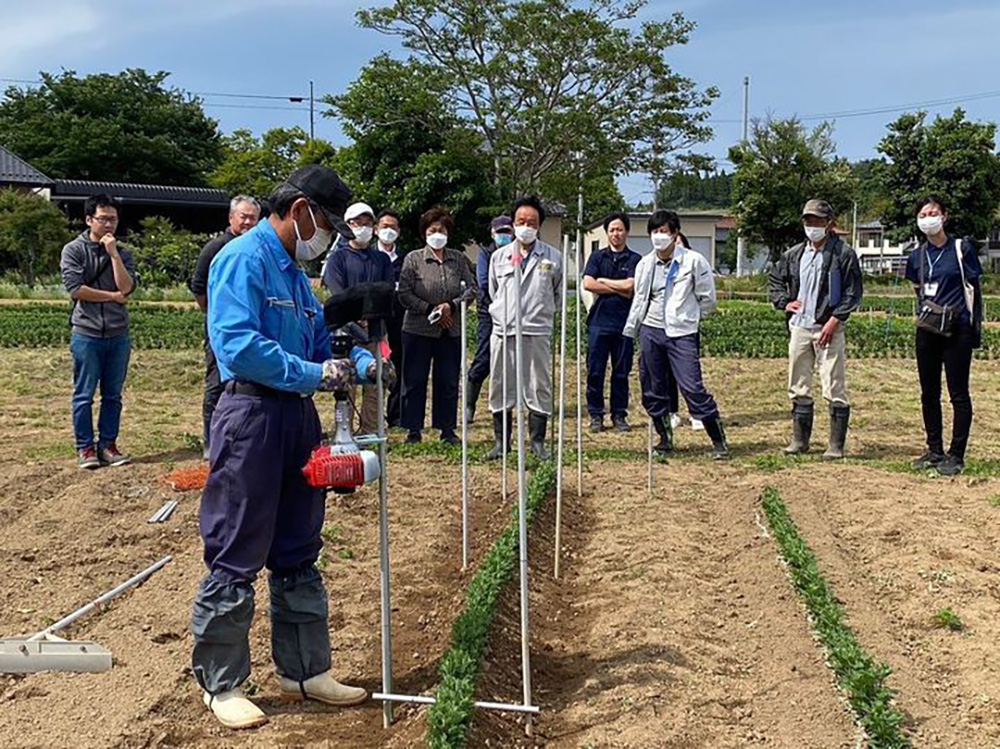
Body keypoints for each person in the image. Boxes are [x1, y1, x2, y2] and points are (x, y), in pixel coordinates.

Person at [191, 165, 386, 731]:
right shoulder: (241, 260)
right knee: (237, 542)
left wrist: (361, 365)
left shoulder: (299, 278)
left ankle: (304, 671)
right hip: (251, 414)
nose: (325, 236)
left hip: (297, 416)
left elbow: (322, 342)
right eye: (325, 223)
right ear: (301, 210)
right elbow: (238, 345)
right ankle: (221, 682)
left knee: (299, 542)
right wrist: (313, 371)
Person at [622, 210, 729, 459]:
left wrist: (689, 317)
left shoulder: (693, 261)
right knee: (652, 387)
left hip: (681, 332)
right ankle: (664, 439)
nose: (659, 237)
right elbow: (640, 299)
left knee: (692, 386)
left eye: (664, 232)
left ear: (675, 234)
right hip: (651, 329)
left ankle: (719, 441)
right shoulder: (645, 264)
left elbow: (707, 299)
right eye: (655, 232)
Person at [768, 199, 863, 460]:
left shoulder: (843, 254)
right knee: (798, 384)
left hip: (829, 327)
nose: (812, 225)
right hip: (800, 326)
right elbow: (775, 279)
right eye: (808, 221)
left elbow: (853, 292)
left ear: (829, 224)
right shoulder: (794, 254)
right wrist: (785, 302)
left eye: (818, 221)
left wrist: (835, 319)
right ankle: (800, 441)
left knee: (833, 384)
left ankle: (835, 445)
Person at [906, 196, 983, 477]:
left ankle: (956, 454)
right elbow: (917, 288)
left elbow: (974, 289)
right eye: (923, 214)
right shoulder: (915, 256)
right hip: (927, 330)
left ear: (945, 216)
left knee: (958, 393)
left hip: (958, 329)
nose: (928, 218)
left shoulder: (962, 250)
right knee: (929, 393)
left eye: (933, 213)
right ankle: (934, 449)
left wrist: (975, 329)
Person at [60, 194, 137, 469]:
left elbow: (127, 288)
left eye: (112, 219)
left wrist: (114, 253)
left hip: (118, 332)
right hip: (87, 332)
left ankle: (108, 444)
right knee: (84, 394)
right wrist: (111, 297)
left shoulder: (123, 252)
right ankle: (85, 448)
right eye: (102, 219)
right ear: (89, 219)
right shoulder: (73, 250)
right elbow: (75, 289)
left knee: (113, 394)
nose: (108, 224)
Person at [487, 195, 562, 461]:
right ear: (513, 223)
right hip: (504, 331)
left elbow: (557, 294)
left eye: (532, 222)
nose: (526, 226)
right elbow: (493, 291)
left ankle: (538, 442)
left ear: (539, 225)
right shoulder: (500, 257)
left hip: (537, 330)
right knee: (500, 385)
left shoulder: (553, 257)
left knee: (538, 385)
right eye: (521, 221)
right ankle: (501, 442)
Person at [189, 195, 261, 459]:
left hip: (251, 327)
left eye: (253, 217)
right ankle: (210, 441)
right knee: (216, 383)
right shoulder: (216, 247)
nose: (247, 222)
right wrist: (215, 314)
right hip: (220, 328)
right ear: (231, 218)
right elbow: (197, 285)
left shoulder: (258, 248)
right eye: (243, 216)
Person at [397, 207, 476, 445]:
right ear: (425, 233)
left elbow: (471, 289)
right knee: (414, 379)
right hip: (417, 329)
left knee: (448, 380)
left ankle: (447, 428)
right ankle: (413, 429)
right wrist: (430, 310)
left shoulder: (459, 259)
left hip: (450, 329)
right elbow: (404, 292)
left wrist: (450, 306)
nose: (437, 234)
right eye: (432, 230)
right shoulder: (413, 259)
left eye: (441, 230)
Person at [322, 202, 394, 434]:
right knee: (346, 384)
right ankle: (344, 432)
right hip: (346, 333)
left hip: (375, 330)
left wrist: (369, 314)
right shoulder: (338, 259)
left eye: (367, 223)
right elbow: (338, 293)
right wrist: (355, 315)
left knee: (375, 384)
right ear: (348, 225)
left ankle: (371, 431)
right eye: (357, 223)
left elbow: (386, 290)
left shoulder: (381, 260)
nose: (362, 227)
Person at [582, 211, 641, 433]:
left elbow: (631, 287)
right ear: (607, 232)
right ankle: (596, 414)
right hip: (599, 322)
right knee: (595, 370)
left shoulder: (635, 259)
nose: (616, 233)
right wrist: (619, 287)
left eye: (620, 229)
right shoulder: (597, 257)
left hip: (624, 323)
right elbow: (588, 283)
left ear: (627, 232)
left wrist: (604, 282)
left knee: (621, 372)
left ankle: (619, 414)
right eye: (612, 230)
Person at [466, 216, 513, 424]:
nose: (504, 235)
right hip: (490, 311)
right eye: (500, 231)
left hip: (515, 313)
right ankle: (469, 404)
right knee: (484, 358)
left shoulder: (518, 252)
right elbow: (484, 282)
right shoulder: (486, 253)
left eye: (507, 231)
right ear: (493, 233)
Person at [375, 209, 406, 427]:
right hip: (375, 320)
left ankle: (395, 416)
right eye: (384, 226)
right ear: (376, 230)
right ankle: (373, 416)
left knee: (399, 368)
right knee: (375, 367)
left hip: (400, 320)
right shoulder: (370, 257)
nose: (388, 231)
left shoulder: (406, 260)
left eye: (393, 227)